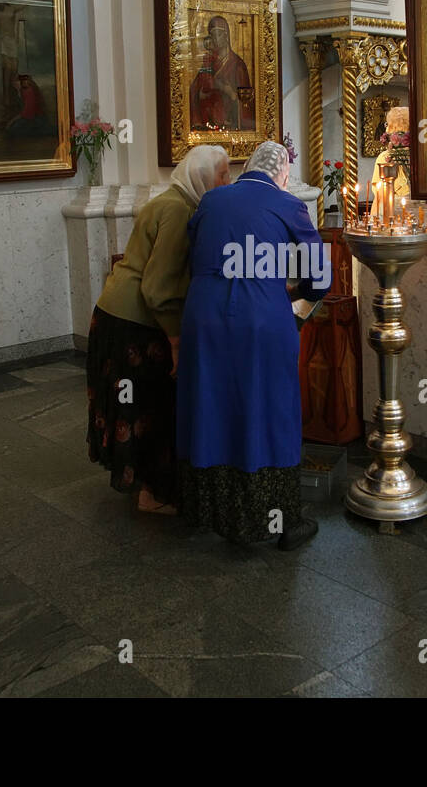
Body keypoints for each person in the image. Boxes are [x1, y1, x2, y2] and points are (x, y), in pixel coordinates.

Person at [177, 140, 329, 549]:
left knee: (210, 405)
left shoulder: (211, 200)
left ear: (247, 168)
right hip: (261, 318)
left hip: (204, 315)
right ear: (283, 175)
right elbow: (320, 277)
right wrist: (295, 289)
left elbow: (195, 253)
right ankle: (279, 521)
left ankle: (208, 512)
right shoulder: (288, 204)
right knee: (268, 408)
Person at [87, 143, 232, 512]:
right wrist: (176, 340)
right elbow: (158, 288)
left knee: (133, 402)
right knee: (152, 405)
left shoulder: (169, 199)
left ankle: (144, 485)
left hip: (114, 313)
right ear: (203, 176)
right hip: (135, 322)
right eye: (223, 174)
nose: (228, 182)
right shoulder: (180, 211)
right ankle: (152, 495)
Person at [191, 16, 253, 131]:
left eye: (218, 35)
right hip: (209, 120)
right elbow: (195, 89)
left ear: (226, 36)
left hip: (229, 123)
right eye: (212, 36)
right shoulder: (209, 62)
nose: (215, 39)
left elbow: (245, 102)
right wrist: (200, 93)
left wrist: (229, 92)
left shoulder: (238, 64)